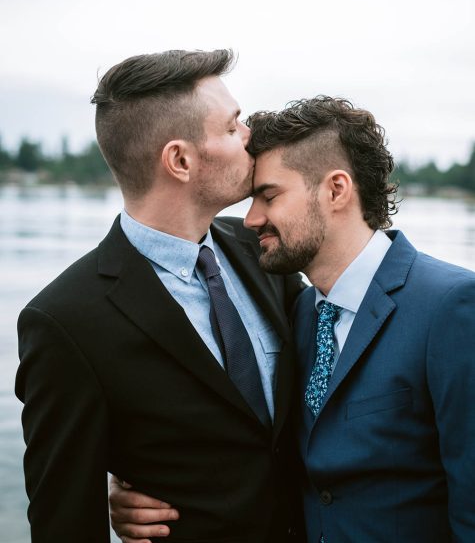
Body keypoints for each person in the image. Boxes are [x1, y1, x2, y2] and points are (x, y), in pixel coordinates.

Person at [113, 96, 475, 542]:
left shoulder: (452, 305)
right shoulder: (299, 312)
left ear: (336, 190)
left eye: (268, 196)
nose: (250, 219)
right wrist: (136, 489)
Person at [15, 50, 305, 543]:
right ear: (180, 160)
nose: (250, 136)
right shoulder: (66, 321)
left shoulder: (263, 248)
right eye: (233, 127)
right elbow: (64, 519)